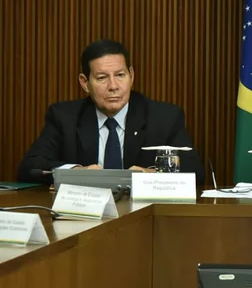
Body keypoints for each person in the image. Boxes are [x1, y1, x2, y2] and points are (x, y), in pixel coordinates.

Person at [18, 39, 205, 184]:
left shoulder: (164, 117)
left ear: (131, 76)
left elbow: (194, 171)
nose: (113, 86)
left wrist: (150, 175)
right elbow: (30, 167)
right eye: (102, 78)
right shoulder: (65, 117)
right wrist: (75, 172)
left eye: (120, 75)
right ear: (85, 83)